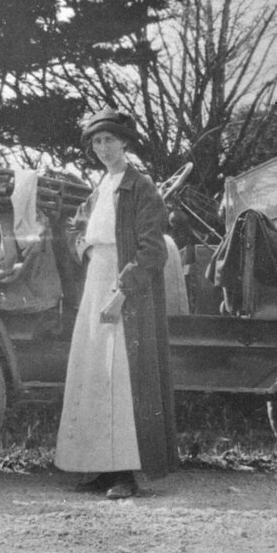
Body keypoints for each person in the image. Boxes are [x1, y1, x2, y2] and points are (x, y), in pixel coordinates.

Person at [56, 109, 178, 498]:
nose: (103, 148)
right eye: (96, 142)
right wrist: (83, 248)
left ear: (125, 142)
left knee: (122, 378)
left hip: (127, 289)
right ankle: (97, 466)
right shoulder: (101, 186)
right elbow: (77, 226)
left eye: (109, 140)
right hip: (97, 279)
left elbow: (152, 250)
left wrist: (122, 292)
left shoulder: (140, 186)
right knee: (93, 374)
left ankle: (125, 473)